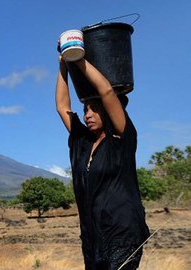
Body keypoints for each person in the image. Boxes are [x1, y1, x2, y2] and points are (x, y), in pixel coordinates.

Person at [55, 54, 150, 270]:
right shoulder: (82, 142)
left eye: (94, 108)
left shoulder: (120, 138)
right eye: (85, 109)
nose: (87, 114)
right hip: (92, 236)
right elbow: (62, 107)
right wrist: (63, 65)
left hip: (122, 232)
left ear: (107, 110)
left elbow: (106, 91)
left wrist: (79, 61)